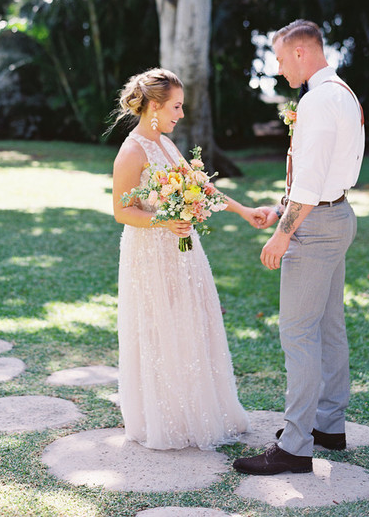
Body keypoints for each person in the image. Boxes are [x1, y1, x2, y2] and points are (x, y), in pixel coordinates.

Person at [233, 20, 365, 476]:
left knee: (298, 333)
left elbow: (311, 182)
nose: (278, 66)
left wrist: (284, 231)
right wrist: (282, 207)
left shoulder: (316, 101)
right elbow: (322, 176)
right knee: (328, 326)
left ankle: (295, 446)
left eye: (282, 58)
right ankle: (328, 425)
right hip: (337, 215)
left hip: (316, 226)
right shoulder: (343, 94)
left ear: (304, 53)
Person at [112, 67, 259, 450]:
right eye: (176, 106)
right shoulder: (132, 151)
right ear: (155, 106)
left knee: (192, 325)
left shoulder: (166, 143)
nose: (180, 114)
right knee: (162, 329)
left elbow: (201, 188)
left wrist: (242, 210)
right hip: (150, 254)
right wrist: (165, 219)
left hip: (184, 252)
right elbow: (122, 211)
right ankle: (170, 419)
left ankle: (201, 410)